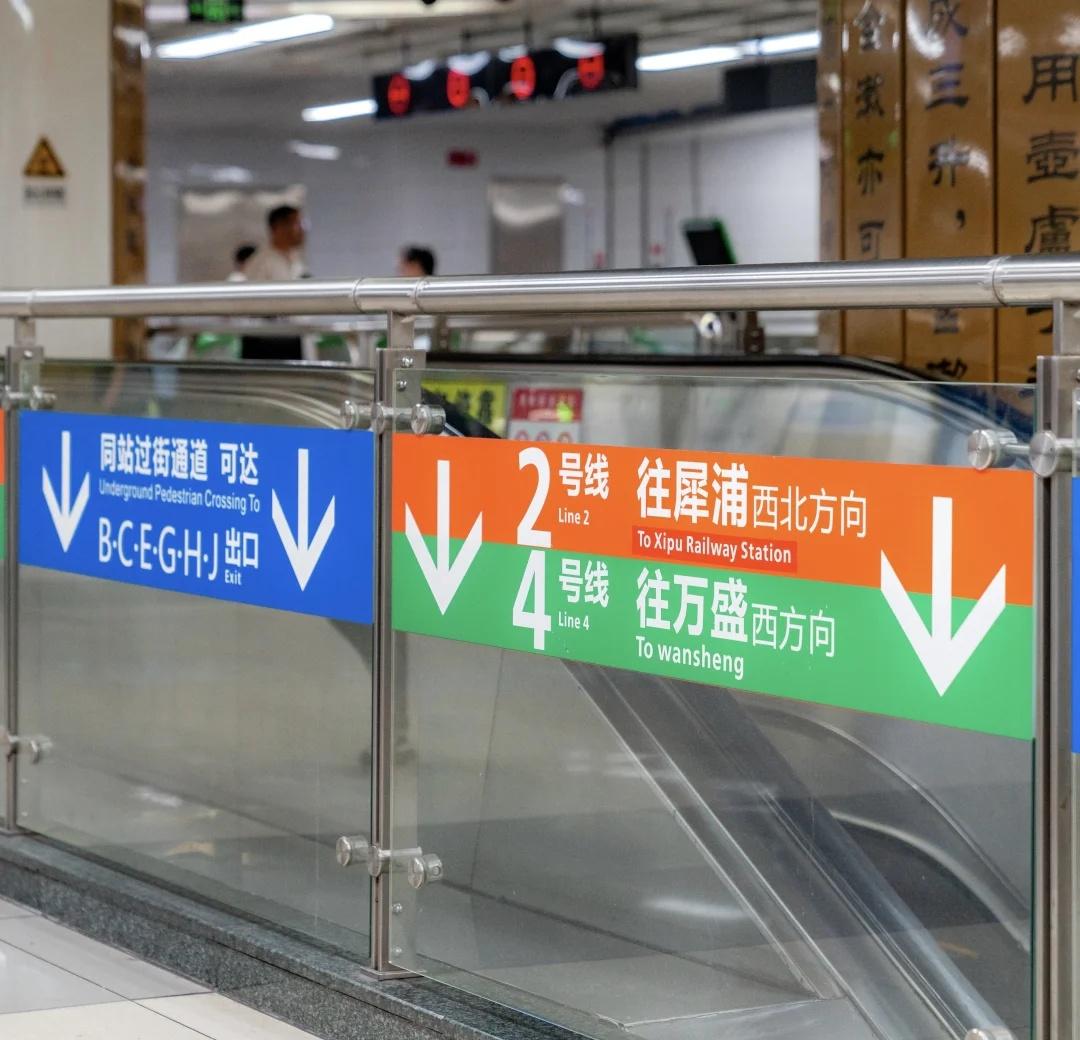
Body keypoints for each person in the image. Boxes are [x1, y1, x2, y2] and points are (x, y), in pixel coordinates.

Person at [245, 205, 308, 282]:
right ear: (280, 226)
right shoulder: (261, 263)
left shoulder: (296, 259)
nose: (302, 229)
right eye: (298, 224)